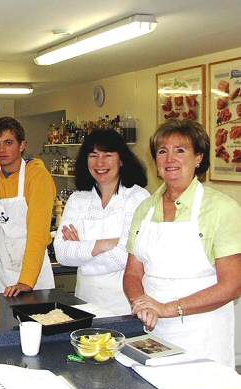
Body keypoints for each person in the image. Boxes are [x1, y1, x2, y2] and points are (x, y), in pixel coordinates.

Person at [124, 120, 241, 367]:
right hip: (153, 333)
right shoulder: (145, 209)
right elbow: (133, 272)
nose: (170, 159)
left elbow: (232, 285)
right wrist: (140, 303)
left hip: (203, 335)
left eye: (180, 150)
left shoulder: (221, 209)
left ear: (198, 157)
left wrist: (167, 308)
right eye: (162, 151)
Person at [54, 129, 149, 315]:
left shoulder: (138, 197)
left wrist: (82, 255)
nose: (100, 163)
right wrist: (107, 243)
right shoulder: (77, 199)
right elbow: (61, 253)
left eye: (107, 155)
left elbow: (125, 256)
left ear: (121, 160)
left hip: (124, 306)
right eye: (93, 155)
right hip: (84, 303)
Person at [0, 117, 56, 296]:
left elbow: (38, 234)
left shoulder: (37, 176)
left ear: (22, 145)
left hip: (34, 275)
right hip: (1, 269)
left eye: (8, 143)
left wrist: (26, 282)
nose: (1, 150)